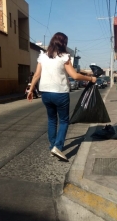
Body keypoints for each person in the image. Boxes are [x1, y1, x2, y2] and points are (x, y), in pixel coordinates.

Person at [27, 32, 96, 161]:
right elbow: (74, 76)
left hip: (45, 93)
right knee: (64, 120)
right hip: (60, 93)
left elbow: (36, 75)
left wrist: (30, 90)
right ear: (64, 43)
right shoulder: (64, 57)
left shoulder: (43, 56)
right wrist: (91, 78)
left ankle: (53, 145)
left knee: (52, 120)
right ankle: (58, 147)